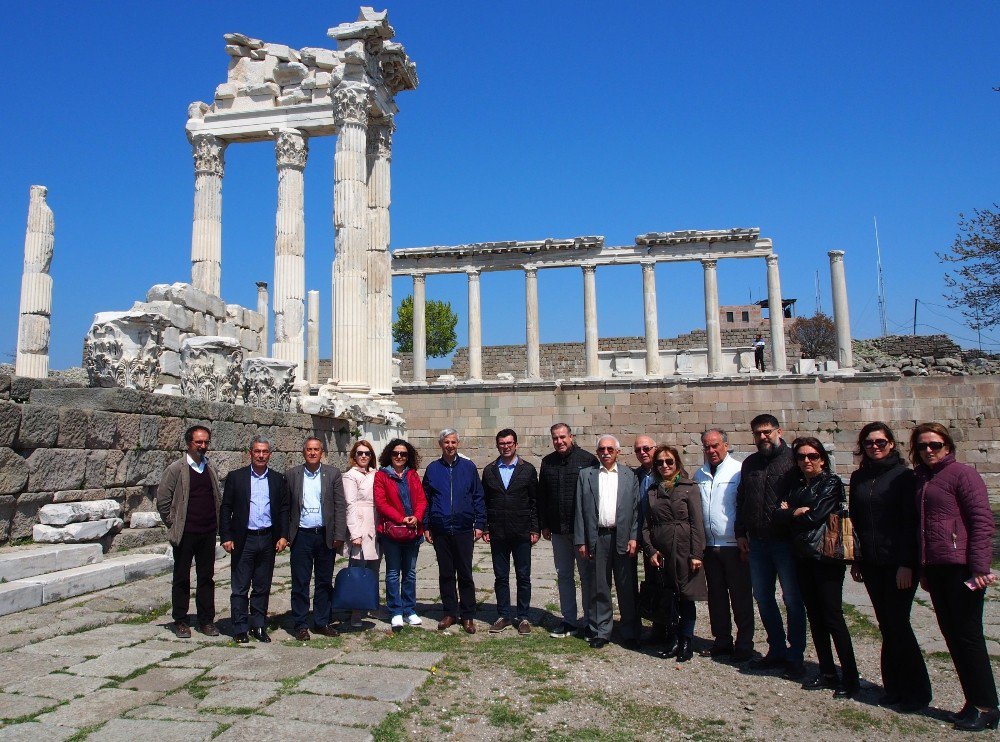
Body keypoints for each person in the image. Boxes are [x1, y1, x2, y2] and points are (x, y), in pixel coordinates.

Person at [910, 422, 998, 731]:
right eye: (922, 446)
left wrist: (980, 567)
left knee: (969, 637)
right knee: (952, 636)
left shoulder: (963, 474)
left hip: (961, 567)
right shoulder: (922, 478)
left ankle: (987, 706)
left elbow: (982, 522)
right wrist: (922, 569)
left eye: (934, 444)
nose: (929, 450)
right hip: (936, 567)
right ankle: (972, 701)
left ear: (948, 446)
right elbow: (922, 528)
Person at [848, 422, 930, 712]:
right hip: (871, 562)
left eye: (880, 442)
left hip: (898, 562)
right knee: (886, 624)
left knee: (898, 624)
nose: (875, 446)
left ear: (892, 444)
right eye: (869, 442)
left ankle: (917, 692)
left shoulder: (905, 478)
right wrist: (856, 559)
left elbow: (911, 524)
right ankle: (894, 687)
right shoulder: (859, 478)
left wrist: (908, 564)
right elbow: (855, 521)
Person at [774, 437, 860, 699]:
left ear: (822, 458)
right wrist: (792, 513)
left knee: (833, 616)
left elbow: (814, 516)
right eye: (801, 457)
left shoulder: (830, 483)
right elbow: (780, 513)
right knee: (815, 616)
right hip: (803, 556)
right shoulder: (798, 484)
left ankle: (850, 677)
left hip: (826, 557)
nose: (806, 461)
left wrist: (795, 512)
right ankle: (827, 672)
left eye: (811, 456)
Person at [734, 413, 806, 679]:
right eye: (758, 433)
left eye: (767, 432)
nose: (763, 437)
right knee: (763, 598)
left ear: (779, 431)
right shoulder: (750, 463)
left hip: (785, 542)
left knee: (792, 600)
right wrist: (740, 532)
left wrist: (790, 511)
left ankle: (795, 655)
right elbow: (742, 499)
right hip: (758, 541)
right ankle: (776, 649)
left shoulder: (793, 461)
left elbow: (806, 493)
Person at [219, 436, 290, 643]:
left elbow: (284, 509)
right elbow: (226, 508)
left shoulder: (278, 479)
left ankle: (259, 625)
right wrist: (226, 536)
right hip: (244, 538)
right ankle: (240, 627)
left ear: (270, 454)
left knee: (262, 585)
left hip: (267, 538)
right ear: (249, 453)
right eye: (257, 451)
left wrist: (283, 535)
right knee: (240, 586)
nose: (261, 455)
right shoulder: (236, 477)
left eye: (265, 452)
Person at [156, 425, 223, 639]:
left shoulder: (209, 467)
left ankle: (206, 620)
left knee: (206, 577)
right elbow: (163, 500)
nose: (202, 446)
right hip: (185, 532)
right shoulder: (176, 469)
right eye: (198, 442)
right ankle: (181, 620)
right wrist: (173, 522)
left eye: (205, 442)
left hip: (207, 531)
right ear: (188, 443)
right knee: (181, 577)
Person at [574, 434, 640, 650]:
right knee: (599, 586)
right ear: (597, 452)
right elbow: (580, 511)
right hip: (597, 536)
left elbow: (636, 510)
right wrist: (581, 540)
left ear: (618, 452)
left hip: (622, 536)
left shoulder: (629, 476)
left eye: (610, 449)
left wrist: (633, 537)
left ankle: (630, 631)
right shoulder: (587, 475)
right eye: (602, 449)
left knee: (626, 586)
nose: (605, 452)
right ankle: (601, 630)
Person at [643, 445, 707, 662]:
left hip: (684, 548)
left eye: (669, 461)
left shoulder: (689, 487)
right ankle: (672, 639)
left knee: (686, 596)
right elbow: (645, 525)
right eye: (660, 462)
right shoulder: (652, 491)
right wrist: (651, 550)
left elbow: (697, 523)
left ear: (677, 463)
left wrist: (697, 553)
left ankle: (686, 641)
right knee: (668, 596)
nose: (664, 466)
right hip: (662, 551)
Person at [695, 429, 754, 662]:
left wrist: (744, 536)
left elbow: (745, 506)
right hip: (710, 545)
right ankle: (722, 641)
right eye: (707, 447)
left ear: (726, 446)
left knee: (740, 596)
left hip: (733, 543)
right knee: (716, 596)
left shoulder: (738, 471)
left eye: (715, 445)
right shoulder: (699, 474)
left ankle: (744, 643)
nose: (711, 450)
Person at [539, 423, 600, 639]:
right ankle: (569, 621)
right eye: (555, 438)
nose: (559, 441)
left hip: (581, 531)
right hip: (558, 530)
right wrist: (544, 524)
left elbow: (595, 496)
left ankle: (591, 622)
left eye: (563, 437)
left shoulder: (588, 460)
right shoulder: (547, 462)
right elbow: (543, 496)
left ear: (571, 436)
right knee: (564, 575)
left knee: (586, 576)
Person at [423, 429, 486, 634]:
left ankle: (468, 615)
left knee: (465, 573)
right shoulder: (433, 469)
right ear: (440, 444)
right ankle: (450, 612)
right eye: (446, 442)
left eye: (453, 442)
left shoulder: (468, 467)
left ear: (458, 444)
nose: (450, 445)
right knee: (446, 573)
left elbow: (478, 496)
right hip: (441, 528)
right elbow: (426, 499)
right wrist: (426, 525)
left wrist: (480, 524)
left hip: (463, 528)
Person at [285, 437, 346, 641]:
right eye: (309, 449)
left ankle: (321, 621)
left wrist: (339, 534)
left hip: (324, 535)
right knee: (300, 582)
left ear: (322, 453)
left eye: (316, 449)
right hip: (301, 535)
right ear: (304, 452)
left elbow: (339, 505)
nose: (312, 453)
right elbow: (286, 507)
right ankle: (300, 623)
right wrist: (285, 536)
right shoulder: (293, 474)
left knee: (323, 581)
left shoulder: (332, 474)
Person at [482, 428, 540, 636]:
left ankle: (523, 616)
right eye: (501, 443)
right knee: (501, 576)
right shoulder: (489, 470)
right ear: (497, 445)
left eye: (509, 443)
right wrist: (486, 527)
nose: (505, 446)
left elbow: (534, 501)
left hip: (522, 530)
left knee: (523, 576)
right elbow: (485, 502)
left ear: (516, 444)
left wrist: (535, 528)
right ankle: (503, 615)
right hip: (498, 531)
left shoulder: (528, 469)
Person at [374, 439, 427, 629]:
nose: (399, 457)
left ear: (408, 457)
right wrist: (401, 518)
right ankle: (395, 610)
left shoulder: (412, 475)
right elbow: (381, 503)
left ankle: (409, 609)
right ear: (390, 454)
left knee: (410, 573)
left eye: (403, 454)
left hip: (412, 531)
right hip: (392, 532)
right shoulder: (382, 476)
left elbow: (421, 499)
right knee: (393, 573)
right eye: (396, 453)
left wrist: (417, 517)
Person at [342, 439, 380, 628]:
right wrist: (354, 533)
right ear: (354, 456)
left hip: (374, 521)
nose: (364, 456)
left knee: (374, 567)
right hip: (359, 522)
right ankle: (355, 611)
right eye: (360, 453)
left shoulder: (376, 474)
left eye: (367, 453)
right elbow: (349, 504)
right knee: (357, 567)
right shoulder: (350, 476)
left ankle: (371, 604)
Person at [633, 434, 666, 644]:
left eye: (646, 448)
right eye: (638, 450)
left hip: (666, 536)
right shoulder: (634, 476)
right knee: (652, 582)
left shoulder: (667, 471)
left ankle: (672, 627)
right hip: (645, 537)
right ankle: (657, 626)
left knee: (668, 583)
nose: (643, 453)